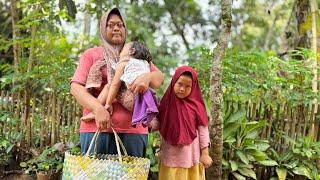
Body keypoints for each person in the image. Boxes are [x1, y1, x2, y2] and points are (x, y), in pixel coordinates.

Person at [70, 7, 164, 157]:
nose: (116, 28)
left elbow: (159, 78)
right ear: (103, 28)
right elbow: (76, 88)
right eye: (110, 25)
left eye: (120, 25)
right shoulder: (92, 55)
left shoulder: (136, 55)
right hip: (97, 128)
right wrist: (98, 109)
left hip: (134, 130)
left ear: (125, 29)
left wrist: (147, 77)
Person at [81, 41, 159, 128]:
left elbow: (115, 84)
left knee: (109, 86)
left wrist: (108, 104)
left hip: (132, 98)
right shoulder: (146, 63)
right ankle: (152, 121)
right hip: (147, 98)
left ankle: (94, 111)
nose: (120, 53)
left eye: (123, 50)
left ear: (132, 51)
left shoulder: (124, 63)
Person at [157, 66, 212, 179]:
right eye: (180, 84)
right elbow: (159, 122)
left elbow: (203, 131)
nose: (182, 89)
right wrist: (147, 124)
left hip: (190, 157)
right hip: (170, 155)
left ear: (194, 88)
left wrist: (205, 154)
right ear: (173, 82)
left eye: (188, 87)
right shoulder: (166, 103)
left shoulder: (197, 106)